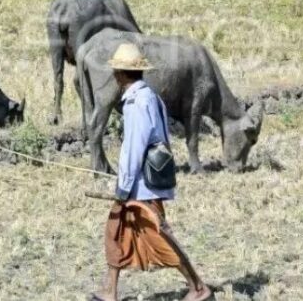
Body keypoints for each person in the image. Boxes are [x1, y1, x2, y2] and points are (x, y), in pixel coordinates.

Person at [91, 43, 212, 301]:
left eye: (116, 70)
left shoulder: (136, 102)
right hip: (147, 179)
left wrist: (123, 187)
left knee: (159, 235)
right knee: (116, 228)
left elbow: (134, 147)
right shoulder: (150, 96)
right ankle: (109, 291)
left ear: (122, 74)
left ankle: (198, 287)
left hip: (141, 185)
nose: (114, 75)